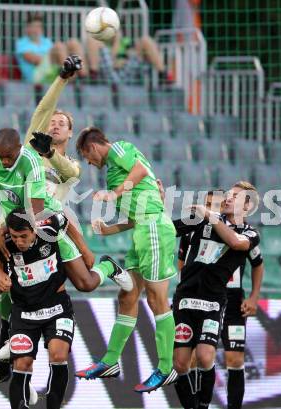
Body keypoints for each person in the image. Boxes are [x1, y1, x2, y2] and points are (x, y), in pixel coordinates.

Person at [0, 56, 133, 390]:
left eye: (63, 123)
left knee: (87, 283)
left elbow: (70, 174)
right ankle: (4, 361)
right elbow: (44, 107)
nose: (56, 124)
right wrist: (63, 78)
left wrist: (50, 154)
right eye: (53, 121)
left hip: (52, 229)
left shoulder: (70, 162)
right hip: (19, 230)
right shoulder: (28, 144)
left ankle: (106, 267)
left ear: (70, 133)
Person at [74, 128, 178, 393]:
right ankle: (110, 362)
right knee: (127, 297)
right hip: (141, 230)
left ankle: (166, 368)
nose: (88, 162)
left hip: (154, 228)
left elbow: (141, 170)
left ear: (94, 147)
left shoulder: (119, 148)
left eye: (86, 155)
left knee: (157, 299)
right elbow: (135, 214)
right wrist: (108, 229)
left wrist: (114, 194)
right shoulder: (114, 172)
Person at [0, 208, 131, 409]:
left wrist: (84, 248)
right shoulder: (5, 243)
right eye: (15, 236)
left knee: (58, 355)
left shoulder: (48, 228)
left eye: (23, 236)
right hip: (24, 312)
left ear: (34, 230)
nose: (19, 241)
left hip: (56, 306)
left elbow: (64, 218)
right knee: (22, 364)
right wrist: (0, 274)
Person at [172, 181, 261, 409]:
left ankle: (204, 404)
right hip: (186, 298)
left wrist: (253, 297)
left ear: (248, 206)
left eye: (236, 196)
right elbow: (166, 230)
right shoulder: (204, 221)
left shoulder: (250, 234)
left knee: (207, 356)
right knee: (181, 363)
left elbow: (236, 244)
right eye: (228, 195)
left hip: (215, 301)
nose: (228, 198)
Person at [15, 13, 88, 84]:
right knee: (59, 46)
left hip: (53, 69)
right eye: (34, 27)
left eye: (39, 27)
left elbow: (55, 55)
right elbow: (36, 60)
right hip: (37, 77)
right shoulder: (22, 43)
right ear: (27, 28)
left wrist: (59, 57)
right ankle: (72, 78)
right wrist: (57, 57)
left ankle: (84, 76)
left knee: (73, 42)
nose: (36, 29)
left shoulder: (46, 41)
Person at [86, 34, 172, 86]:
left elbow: (125, 58)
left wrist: (124, 54)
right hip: (108, 74)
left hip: (126, 72)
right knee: (92, 40)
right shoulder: (100, 45)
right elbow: (115, 63)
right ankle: (93, 76)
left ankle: (163, 74)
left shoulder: (125, 41)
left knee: (145, 40)